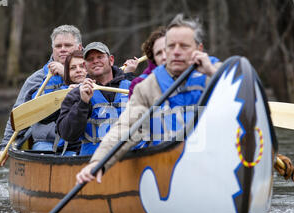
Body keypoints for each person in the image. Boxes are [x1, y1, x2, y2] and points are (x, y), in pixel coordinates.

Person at [75, 14, 222, 185]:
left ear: (199, 48)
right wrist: (98, 162)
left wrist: (211, 73)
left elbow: (242, 104)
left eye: (183, 46)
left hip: (212, 166)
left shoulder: (219, 72)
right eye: (171, 46)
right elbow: (127, 127)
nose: (175, 51)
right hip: (168, 170)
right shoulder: (146, 87)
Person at [0, 25, 82, 171]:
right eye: (58, 46)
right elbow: (18, 115)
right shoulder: (36, 79)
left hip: (80, 144)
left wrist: (66, 74)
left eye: (68, 45)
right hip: (45, 145)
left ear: (79, 47)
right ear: (53, 49)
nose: (62, 49)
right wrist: (4, 148)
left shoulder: (90, 75)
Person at [56, 42, 138, 156]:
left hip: (131, 159)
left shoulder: (134, 88)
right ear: (85, 66)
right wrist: (83, 103)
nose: (95, 61)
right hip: (92, 161)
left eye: (100, 57)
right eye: (90, 59)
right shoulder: (76, 94)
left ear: (111, 60)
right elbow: (67, 134)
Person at [29, 49, 87, 155]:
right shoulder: (64, 91)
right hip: (69, 149)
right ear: (67, 73)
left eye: (82, 66)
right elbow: (43, 118)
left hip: (92, 147)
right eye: (73, 68)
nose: (78, 70)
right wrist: (69, 95)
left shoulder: (102, 88)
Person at [128, 26, 167, 98]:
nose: (164, 57)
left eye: (167, 50)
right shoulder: (139, 84)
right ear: (153, 58)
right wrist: (127, 75)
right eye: (159, 53)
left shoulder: (193, 76)